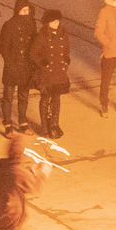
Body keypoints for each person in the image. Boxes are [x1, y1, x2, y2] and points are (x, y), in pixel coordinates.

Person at [0, 0, 36, 136]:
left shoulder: (31, 24)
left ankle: (23, 123)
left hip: (26, 67)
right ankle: (8, 124)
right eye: (23, 11)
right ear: (17, 11)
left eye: (27, 11)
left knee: (23, 96)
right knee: (8, 96)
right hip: (12, 68)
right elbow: (3, 47)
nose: (25, 13)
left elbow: (34, 44)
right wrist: (10, 63)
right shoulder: (8, 25)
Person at [30, 11, 70, 139]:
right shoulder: (42, 35)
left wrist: (65, 61)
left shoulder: (63, 34)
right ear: (47, 22)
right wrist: (43, 63)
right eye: (53, 22)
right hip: (47, 73)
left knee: (56, 99)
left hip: (59, 71)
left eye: (57, 21)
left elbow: (66, 49)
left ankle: (54, 124)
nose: (55, 24)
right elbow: (33, 53)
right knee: (45, 99)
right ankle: (44, 126)